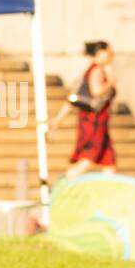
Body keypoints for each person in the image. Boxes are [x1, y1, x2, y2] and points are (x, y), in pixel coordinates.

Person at [49, 40, 117, 178]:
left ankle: (109, 192)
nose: (112, 56)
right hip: (94, 122)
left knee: (109, 163)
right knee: (89, 158)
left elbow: (74, 98)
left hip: (99, 122)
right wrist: (110, 83)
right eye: (109, 52)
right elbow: (96, 91)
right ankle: (64, 182)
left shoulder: (93, 69)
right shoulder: (97, 70)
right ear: (101, 53)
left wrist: (58, 120)